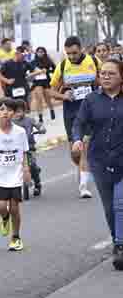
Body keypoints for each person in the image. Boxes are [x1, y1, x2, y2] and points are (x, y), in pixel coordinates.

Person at [73, 56, 123, 269]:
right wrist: (76, 139)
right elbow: (79, 123)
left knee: (120, 204)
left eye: (111, 73)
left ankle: (120, 245)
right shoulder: (91, 100)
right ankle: (117, 241)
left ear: (121, 77)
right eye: (102, 73)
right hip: (99, 159)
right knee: (109, 207)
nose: (106, 76)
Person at [50, 36, 98, 199]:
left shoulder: (93, 62)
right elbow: (51, 91)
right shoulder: (62, 66)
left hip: (91, 111)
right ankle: (85, 168)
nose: (71, 57)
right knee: (75, 153)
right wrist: (64, 96)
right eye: (68, 53)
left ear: (81, 49)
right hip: (71, 111)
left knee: (84, 146)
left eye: (74, 53)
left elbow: (102, 83)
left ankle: (83, 185)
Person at [0, 98, 30, 252]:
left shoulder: (20, 132)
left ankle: (16, 237)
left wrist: (26, 169)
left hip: (15, 174)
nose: (5, 113)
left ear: (14, 113)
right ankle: (4, 218)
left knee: (14, 208)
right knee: (2, 206)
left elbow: (24, 152)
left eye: (9, 110)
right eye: (1, 109)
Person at [12, 99, 43, 197]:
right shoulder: (12, 122)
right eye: (15, 111)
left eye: (20, 111)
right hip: (17, 149)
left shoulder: (29, 120)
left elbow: (39, 126)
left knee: (33, 165)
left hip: (30, 147)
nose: (18, 114)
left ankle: (37, 184)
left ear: (24, 111)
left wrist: (41, 129)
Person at [29, 46, 56, 123]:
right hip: (37, 82)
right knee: (39, 98)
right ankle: (40, 116)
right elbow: (29, 72)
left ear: (44, 52)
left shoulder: (48, 61)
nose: (40, 53)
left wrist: (47, 71)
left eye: (42, 52)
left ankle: (51, 110)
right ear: (36, 53)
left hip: (46, 82)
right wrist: (36, 73)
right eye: (38, 52)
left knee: (47, 98)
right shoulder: (33, 62)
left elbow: (54, 70)